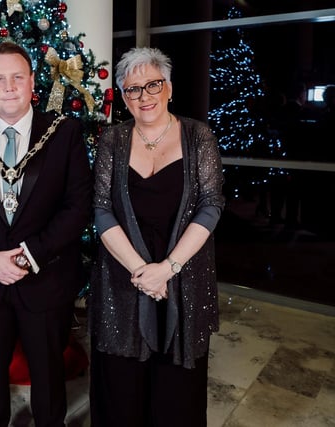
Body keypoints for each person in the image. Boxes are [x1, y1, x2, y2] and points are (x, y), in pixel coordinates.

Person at [0, 41, 92, 427]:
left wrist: (29, 255)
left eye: (16, 77)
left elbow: (78, 207)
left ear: (32, 83)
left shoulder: (64, 133)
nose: (8, 86)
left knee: (48, 378)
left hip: (45, 279)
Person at [88, 47, 225, 427]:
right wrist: (142, 272)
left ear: (168, 88)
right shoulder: (112, 141)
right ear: (124, 97)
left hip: (184, 280)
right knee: (121, 390)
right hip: (122, 282)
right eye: (133, 89)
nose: (145, 96)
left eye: (153, 85)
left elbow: (211, 205)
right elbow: (101, 209)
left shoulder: (199, 136)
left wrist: (167, 268)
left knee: (176, 396)